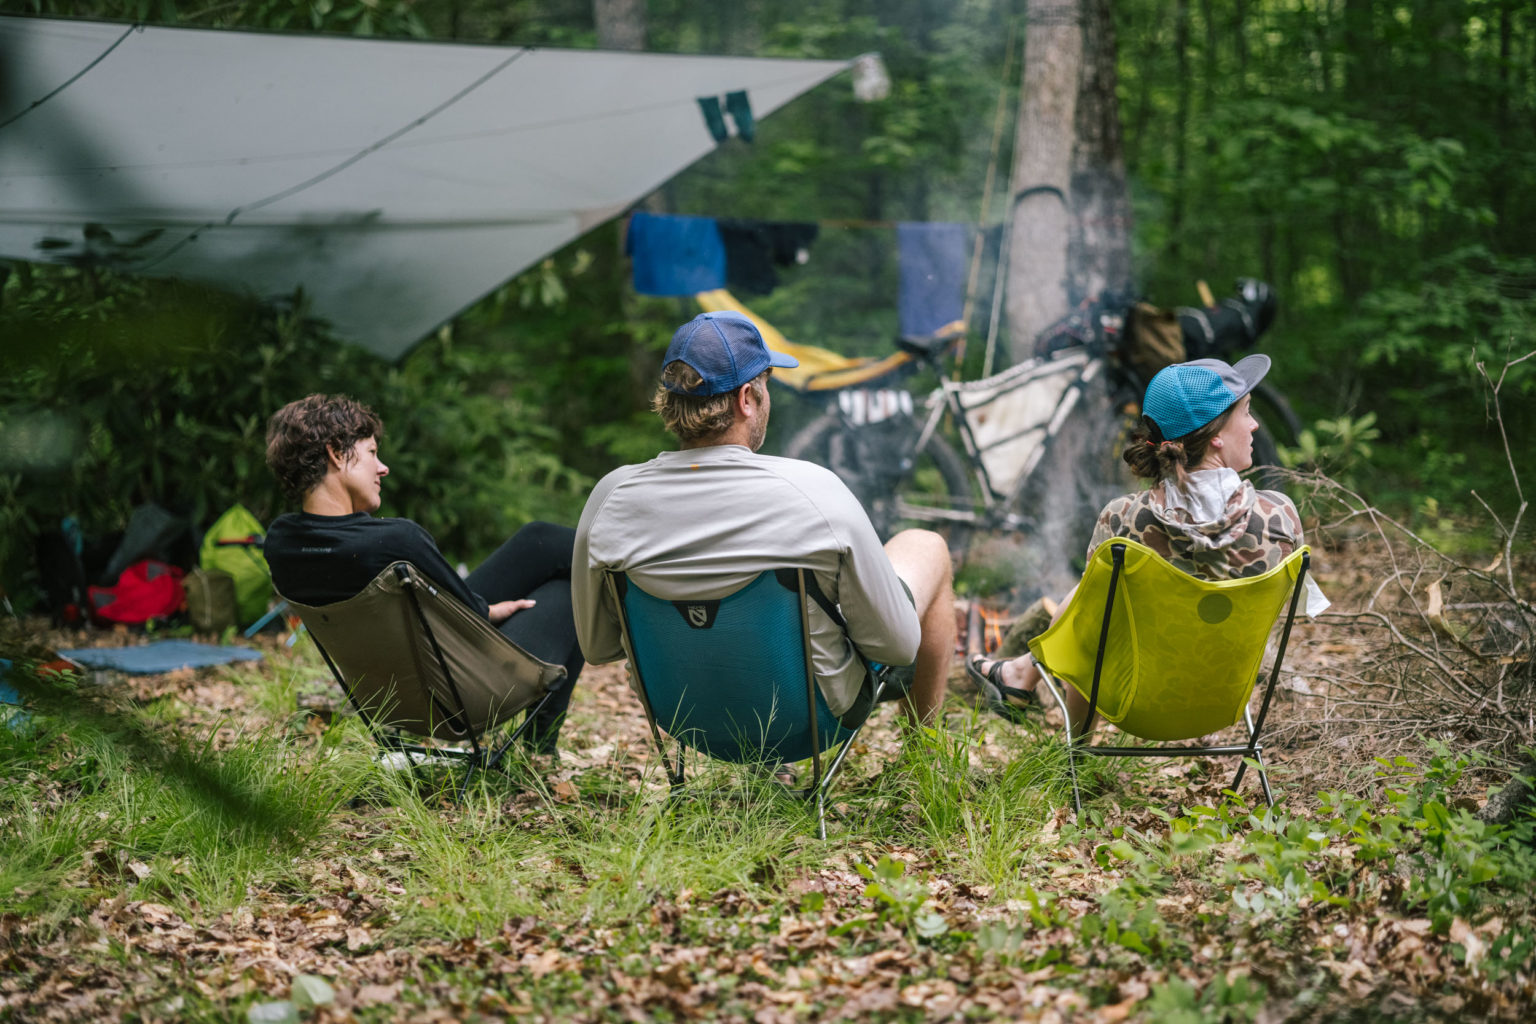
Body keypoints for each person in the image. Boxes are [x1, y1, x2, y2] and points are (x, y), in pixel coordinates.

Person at [571, 311, 956, 738]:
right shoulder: (813, 491)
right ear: (746, 399)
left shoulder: (610, 497)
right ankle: (923, 750)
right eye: (766, 385)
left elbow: (598, 647)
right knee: (926, 545)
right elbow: (897, 648)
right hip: (808, 720)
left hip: (681, 716)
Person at [967, 355, 1320, 731]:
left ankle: (1060, 726)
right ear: (1216, 436)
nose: (1254, 425)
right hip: (1221, 705)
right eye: (1246, 412)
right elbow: (1299, 607)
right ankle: (1019, 674)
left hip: (1136, 704)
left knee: (1087, 606)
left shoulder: (1122, 519)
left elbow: (1089, 624)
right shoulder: (1281, 515)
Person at [263, 394, 584, 756]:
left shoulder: (280, 543)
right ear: (337, 453)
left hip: (390, 702)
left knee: (538, 539)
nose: (383, 468)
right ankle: (540, 750)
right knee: (573, 585)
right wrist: (490, 611)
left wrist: (485, 608)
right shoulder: (395, 541)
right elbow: (473, 616)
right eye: (372, 453)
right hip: (464, 694)